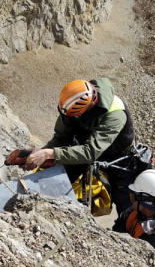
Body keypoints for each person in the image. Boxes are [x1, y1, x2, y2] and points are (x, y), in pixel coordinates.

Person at [8, 78, 139, 214]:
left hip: (117, 158)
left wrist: (50, 154)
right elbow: (61, 138)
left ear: (86, 110)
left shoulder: (115, 115)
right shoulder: (72, 106)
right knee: (54, 173)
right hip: (84, 147)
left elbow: (89, 153)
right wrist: (39, 155)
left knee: (126, 204)